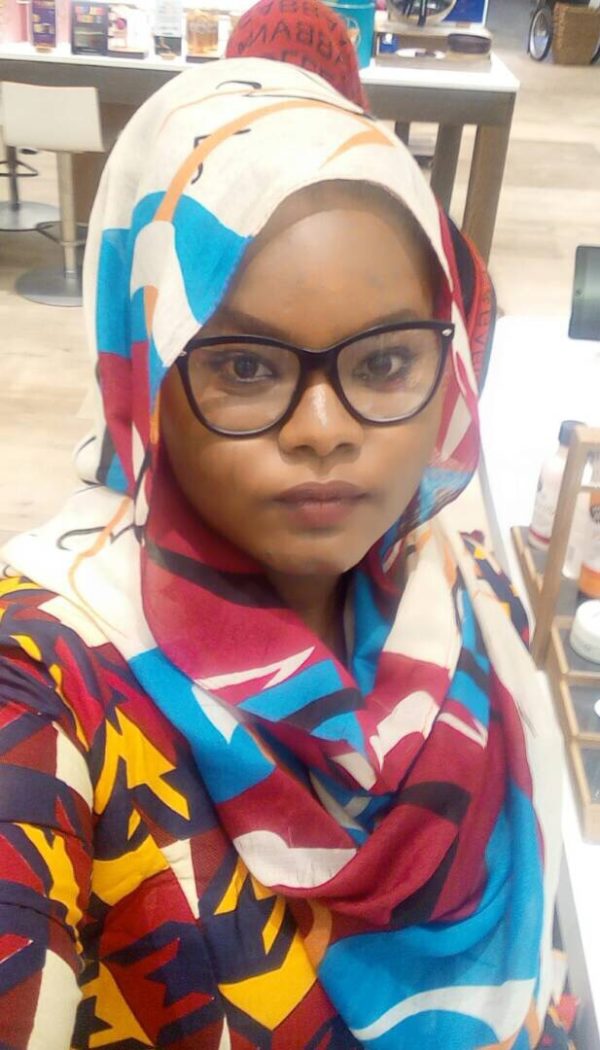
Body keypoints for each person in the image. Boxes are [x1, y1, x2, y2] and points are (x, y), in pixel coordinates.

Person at [0, 59, 563, 1049]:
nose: (322, 430)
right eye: (247, 366)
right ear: (147, 371)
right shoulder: (50, 680)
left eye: (384, 361)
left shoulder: (467, 597)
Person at [225, 0, 370, 108]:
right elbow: (354, 101)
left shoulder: (251, 21)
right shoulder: (332, 25)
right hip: (327, 127)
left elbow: (225, 85)